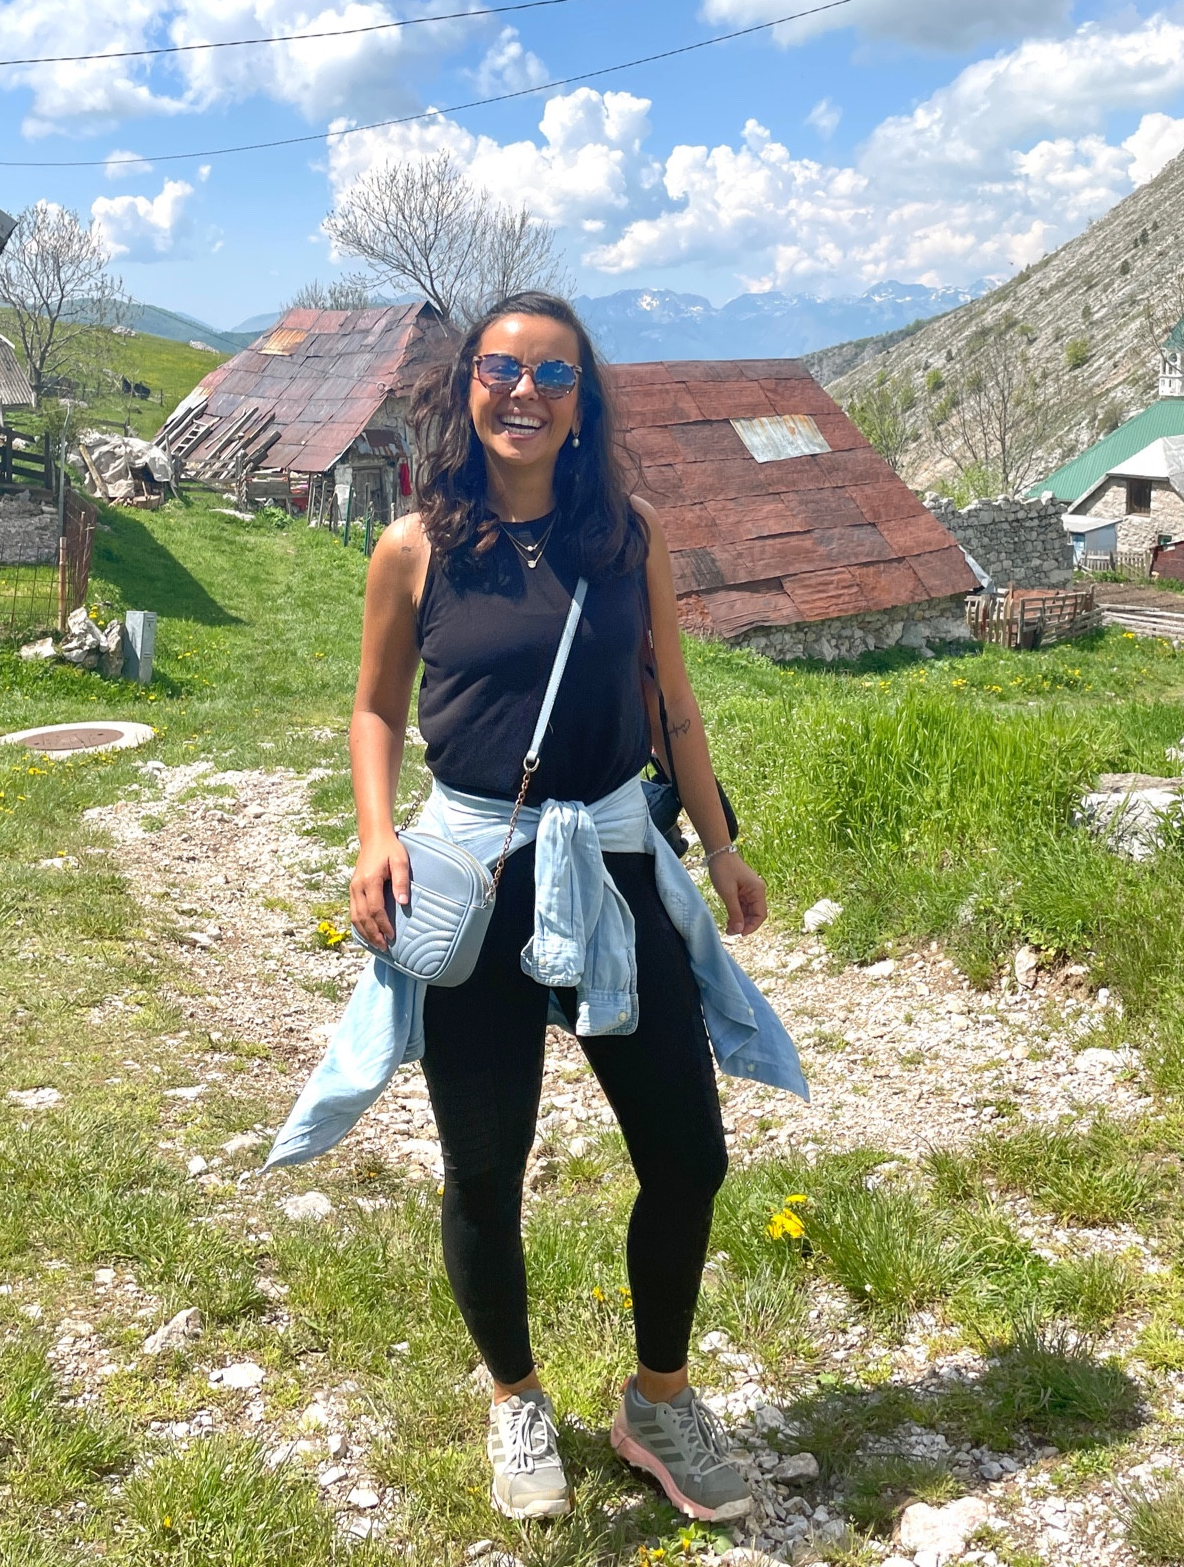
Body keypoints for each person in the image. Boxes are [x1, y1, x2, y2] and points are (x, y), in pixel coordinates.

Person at [275, 290, 806, 1525]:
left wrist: (721, 848)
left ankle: (655, 1400)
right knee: (484, 1166)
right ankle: (516, 1393)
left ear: (584, 401)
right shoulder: (414, 545)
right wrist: (371, 834)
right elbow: (375, 709)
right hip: (473, 874)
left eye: (553, 375)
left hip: (617, 865)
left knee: (688, 1151)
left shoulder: (628, 534)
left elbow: (673, 698)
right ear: (466, 384)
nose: (524, 392)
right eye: (501, 367)